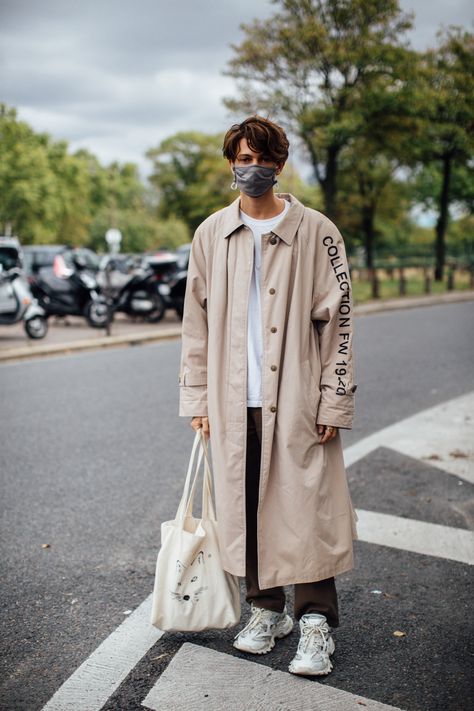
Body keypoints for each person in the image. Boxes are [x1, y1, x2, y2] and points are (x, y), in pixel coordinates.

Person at [178, 115, 358, 676]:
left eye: (262, 160)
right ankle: (265, 609)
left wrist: (333, 398)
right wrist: (198, 399)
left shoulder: (318, 232)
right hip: (234, 399)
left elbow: (340, 323)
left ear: (279, 164)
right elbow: (194, 323)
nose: (251, 169)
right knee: (243, 506)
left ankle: (314, 621)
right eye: (242, 158)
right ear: (231, 162)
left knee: (307, 509)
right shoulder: (211, 233)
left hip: (299, 395)